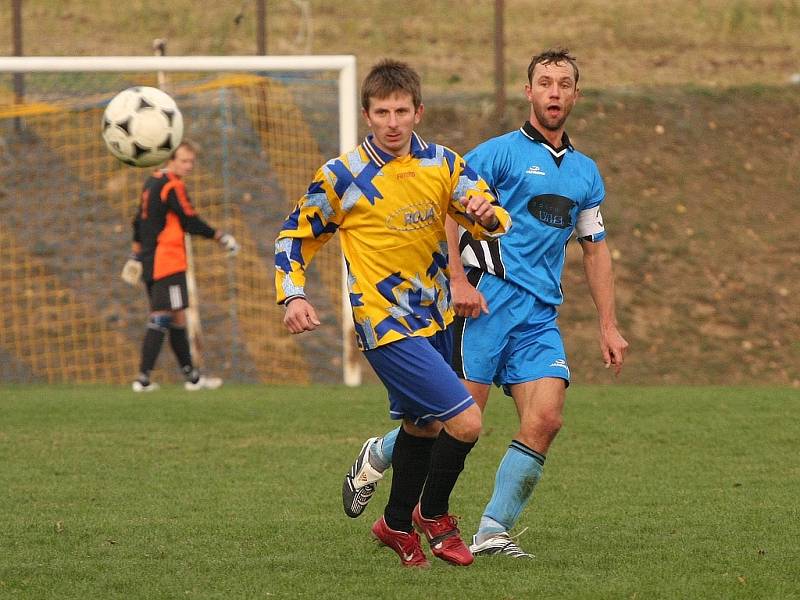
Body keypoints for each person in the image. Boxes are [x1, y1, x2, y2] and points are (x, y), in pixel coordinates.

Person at [342, 49, 629, 559]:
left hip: (539, 319)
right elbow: (448, 209)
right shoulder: (497, 154)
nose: (555, 92)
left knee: (546, 420)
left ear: (576, 95)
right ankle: (380, 453)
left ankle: (492, 531)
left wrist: (609, 325)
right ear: (529, 92)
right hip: (483, 309)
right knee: (453, 422)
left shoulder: (586, 174)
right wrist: (457, 280)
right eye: (545, 82)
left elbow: (595, 248)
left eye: (564, 84)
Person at [275, 59, 510, 568]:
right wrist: (293, 294)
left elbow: (484, 208)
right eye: (382, 111)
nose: (392, 121)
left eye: (401, 110)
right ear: (367, 115)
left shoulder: (443, 164)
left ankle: (396, 524)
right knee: (466, 422)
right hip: (384, 324)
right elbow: (294, 238)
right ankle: (436, 517)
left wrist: (488, 215)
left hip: (438, 318)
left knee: (424, 426)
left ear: (418, 112)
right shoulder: (342, 177)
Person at [123, 139, 240, 392]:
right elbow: (190, 220)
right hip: (168, 260)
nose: (188, 166)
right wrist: (220, 236)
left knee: (176, 315)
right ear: (171, 159)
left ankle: (192, 378)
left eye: (191, 162)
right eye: (184, 160)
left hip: (150, 259)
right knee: (162, 315)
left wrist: (135, 255)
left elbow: (137, 221)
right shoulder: (172, 186)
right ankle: (143, 379)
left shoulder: (152, 182)